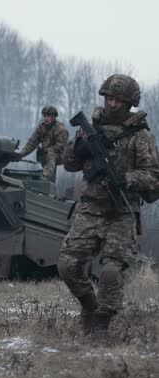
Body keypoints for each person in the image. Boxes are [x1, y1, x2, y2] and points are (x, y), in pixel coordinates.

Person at [59, 74, 159, 338]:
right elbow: (68, 164)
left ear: (130, 103)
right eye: (109, 98)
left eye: (118, 100)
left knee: (111, 271)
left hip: (122, 212)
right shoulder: (88, 128)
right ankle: (89, 305)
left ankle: (101, 322)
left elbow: (153, 175)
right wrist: (78, 148)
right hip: (90, 208)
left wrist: (127, 179)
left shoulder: (140, 136)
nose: (112, 104)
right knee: (67, 264)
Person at [12, 106, 69, 181]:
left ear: (53, 117)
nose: (46, 118)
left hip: (61, 155)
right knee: (47, 155)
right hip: (47, 155)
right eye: (44, 116)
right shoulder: (41, 127)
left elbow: (61, 146)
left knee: (51, 154)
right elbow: (32, 143)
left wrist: (46, 150)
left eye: (48, 116)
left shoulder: (60, 129)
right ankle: (48, 179)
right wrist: (21, 154)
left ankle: (46, 179)